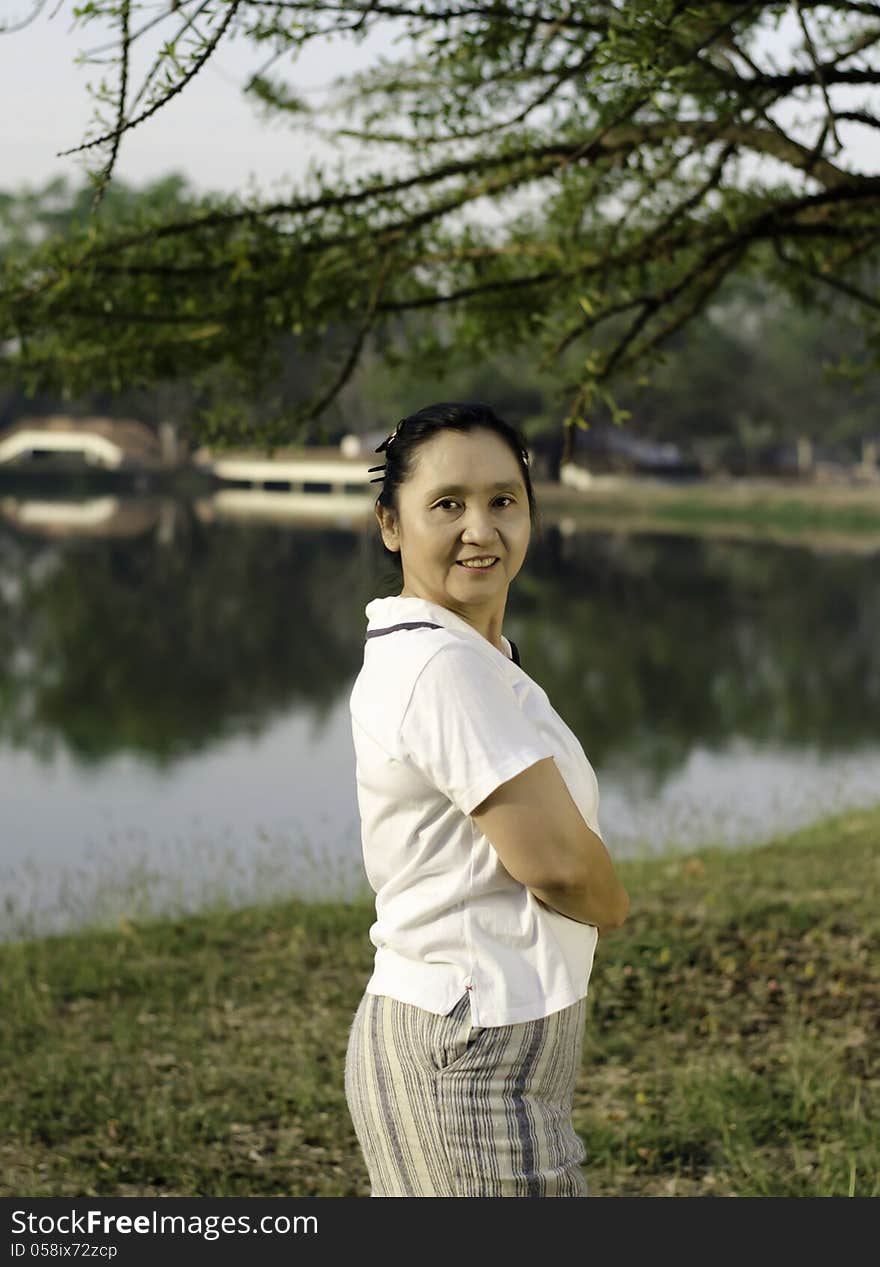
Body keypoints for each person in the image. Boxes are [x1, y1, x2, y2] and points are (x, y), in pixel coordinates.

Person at [344, 401, 629, 1197]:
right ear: (391, 525)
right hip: (468, 1061)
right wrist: (615, 904)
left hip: (483, 1045)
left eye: (503, 500)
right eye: (447, 504)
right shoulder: (440, 667)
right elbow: (560, 864)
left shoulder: (473, 655)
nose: (480, 527)